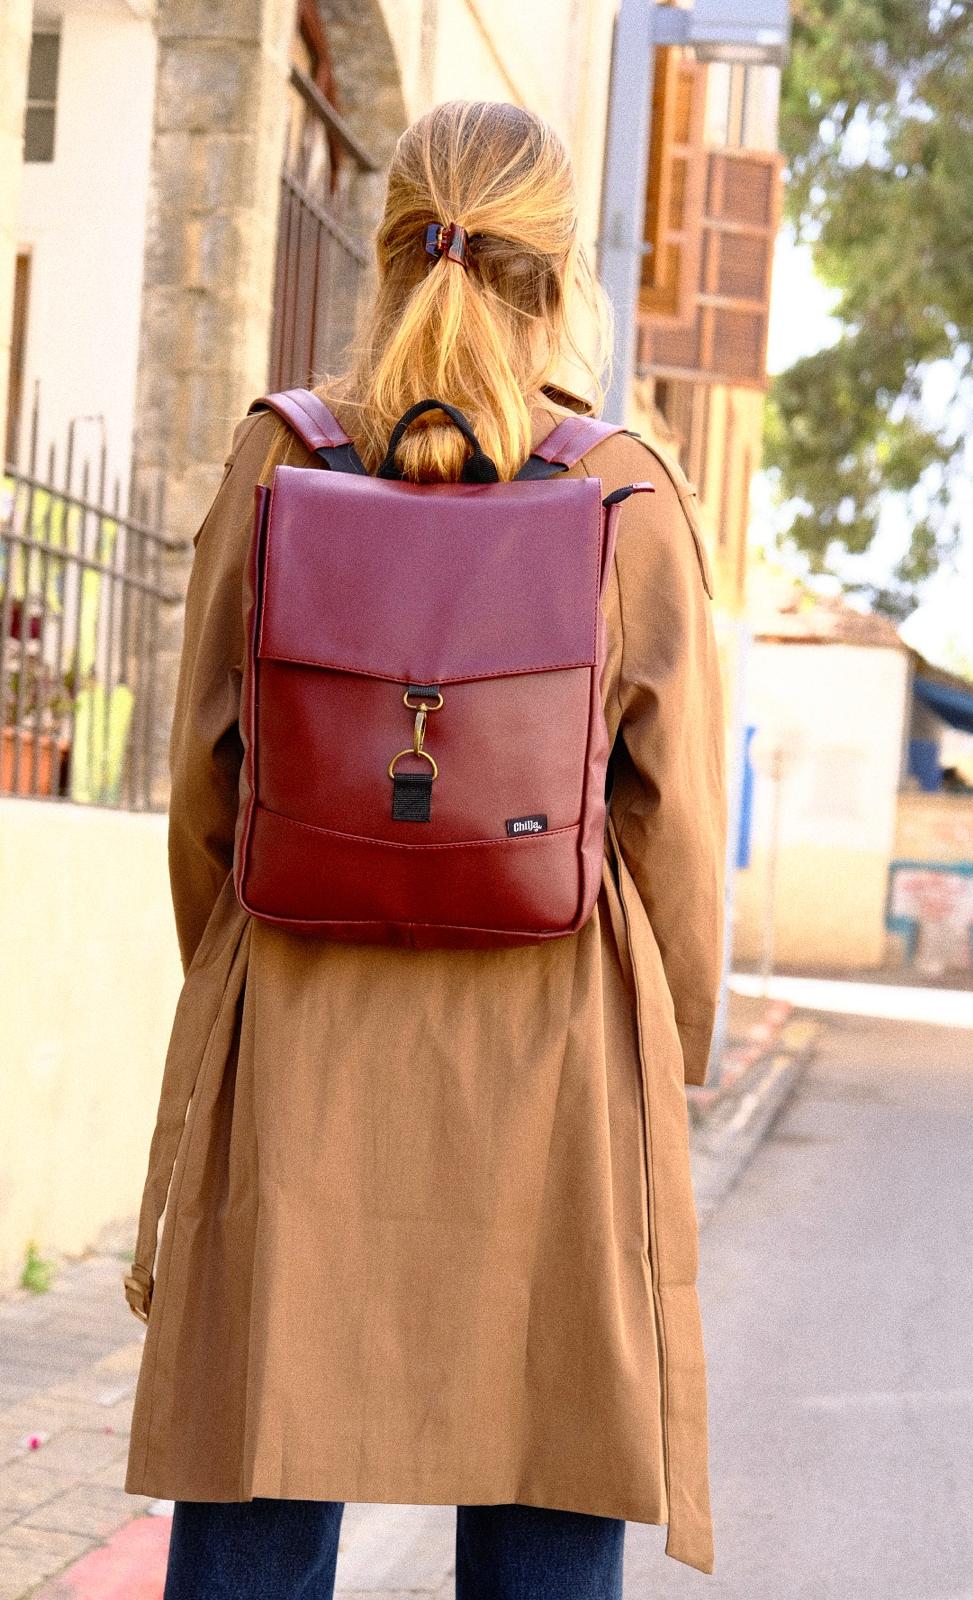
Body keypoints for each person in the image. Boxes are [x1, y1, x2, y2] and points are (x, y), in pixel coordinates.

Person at [122, 99, 726, 1599]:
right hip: (551, 1056)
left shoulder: (282, 457)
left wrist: (243, 975)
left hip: (307, 1041)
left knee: (263, 1456)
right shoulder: (625, 490)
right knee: (547, 1455)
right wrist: (673, 1052)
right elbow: (676, 836)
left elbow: (204, 789)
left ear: (385, 256)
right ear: (558, 273)